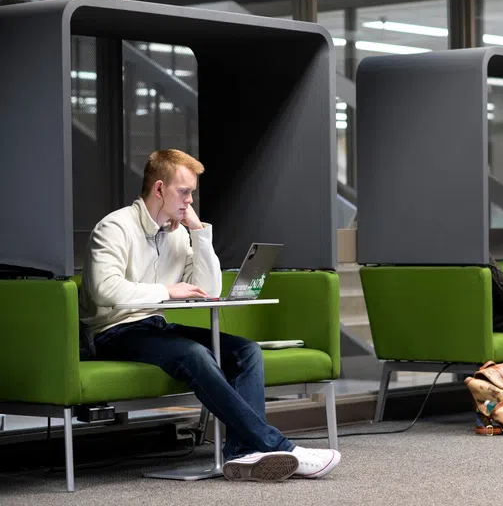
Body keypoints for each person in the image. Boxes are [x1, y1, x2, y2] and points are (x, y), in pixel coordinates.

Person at [79, 149, 340, 482]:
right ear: (159, 189)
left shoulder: (176, 233)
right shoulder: (115, 227)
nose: (190, 200)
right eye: (184, 192)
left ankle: (243, 454)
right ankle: (279, 446)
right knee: (195, 354)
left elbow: (208, 287)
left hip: (154, 327)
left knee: (246, 351)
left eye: (192, 193)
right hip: (112, 333)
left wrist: (199, 232)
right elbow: (105, 289)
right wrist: (166, 290)